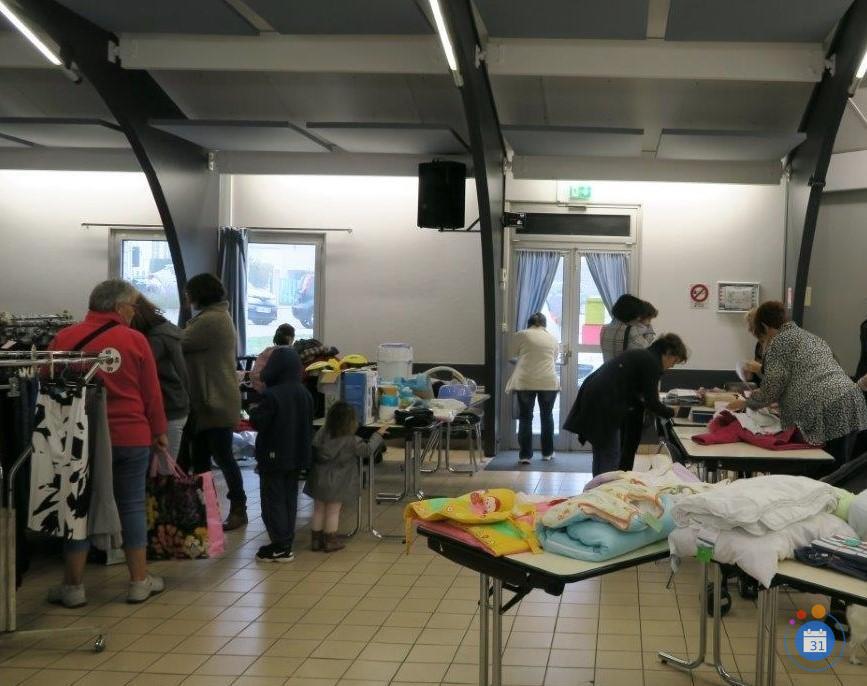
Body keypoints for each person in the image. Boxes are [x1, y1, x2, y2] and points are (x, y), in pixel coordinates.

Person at [48, 279, 168, 607]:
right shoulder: (135, 341)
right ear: (118, 308)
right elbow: (151, 393)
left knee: (77, 506)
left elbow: (46, 378)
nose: (133, 312)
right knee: (130, 505)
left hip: (78, 438)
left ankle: (72, 587)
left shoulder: (64, 337)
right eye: (132, 306)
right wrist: (159, 431)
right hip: (131, 437)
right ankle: (138, 582)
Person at [727, 301, 867, 467]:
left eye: (760, 335)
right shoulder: (809, 337)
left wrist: (744, 402)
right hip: (851, 402)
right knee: (838, 466)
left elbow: (772, 389)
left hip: (828, 408)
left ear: (765, 326)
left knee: (821, 467)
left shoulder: (779, 342)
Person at [563, 333, 688, 476]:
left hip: (597, 396)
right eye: (674, 361)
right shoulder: (651, 362)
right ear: (668, 353)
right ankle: (604, 493)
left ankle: (600, 490)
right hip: (603, 402)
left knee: (604, 453)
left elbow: (640, 395)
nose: (671, 366)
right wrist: (673, 412)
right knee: (609, 455)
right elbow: (651, 402)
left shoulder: (644, 356)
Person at [182, 273, 247, 531]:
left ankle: (237, 508)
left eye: (189, 293)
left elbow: (179, 343)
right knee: (202, 461)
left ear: (200, 294)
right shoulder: (214, 317)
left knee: (221, 458)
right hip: (209, 401)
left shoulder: (210, 320)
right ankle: (206, 512)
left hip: (214, 402)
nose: (186, 298)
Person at [249, 347, 313, 562]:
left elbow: (260, 422)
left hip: (273, 455)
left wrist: (253, 410)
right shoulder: (304, 393)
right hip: (297, 455)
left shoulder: (271, 394)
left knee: (272, 499)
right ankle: (286, 540)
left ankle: (280, 545)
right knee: (289, 499)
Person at [305, 401, 386, 552]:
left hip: (318, 478)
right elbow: (367, 450)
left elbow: (314, 447)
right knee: (333, 512)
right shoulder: (352, 441)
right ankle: (330, 540)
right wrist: (378, 435)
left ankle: (315, 540)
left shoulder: (321, 433)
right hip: (339, 481)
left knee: (318, 510)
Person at [130, 296, 190, 459]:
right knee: (165, 469)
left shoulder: (153, 340)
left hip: (167, 407)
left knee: (164, 472)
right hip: (176, 404)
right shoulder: (165, 331)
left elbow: (140, 375)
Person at [505, 312, 559, 465]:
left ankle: (525, 455)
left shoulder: (521, 334)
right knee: (547, 416)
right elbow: (553, 359)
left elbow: (511, 357)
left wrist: (524, 361)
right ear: (544, 325)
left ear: (529, 323)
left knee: (526, 417)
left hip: (526, 381)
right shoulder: (552, 338)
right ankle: (548, 453)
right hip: (548, 381)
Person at [600, 295, 656, 362]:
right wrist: (649, 329)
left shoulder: (604, 329)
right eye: (637, 315)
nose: (638, 318)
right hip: (624, 372)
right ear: (629, 313)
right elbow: (646, 350)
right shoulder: (630, 331)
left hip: (608, 370)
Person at [250, 323, 295, 393]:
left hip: (257, 383)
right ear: (290, 338)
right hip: (268, 387)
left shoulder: (268, 350)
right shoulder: (286, 352)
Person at [737, 308, 764, 384]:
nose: (749, 329)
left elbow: (776, 377)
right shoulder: (759, 345)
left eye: (751, 326)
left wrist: (759, 369)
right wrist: (751, 373)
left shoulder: (775, 345)